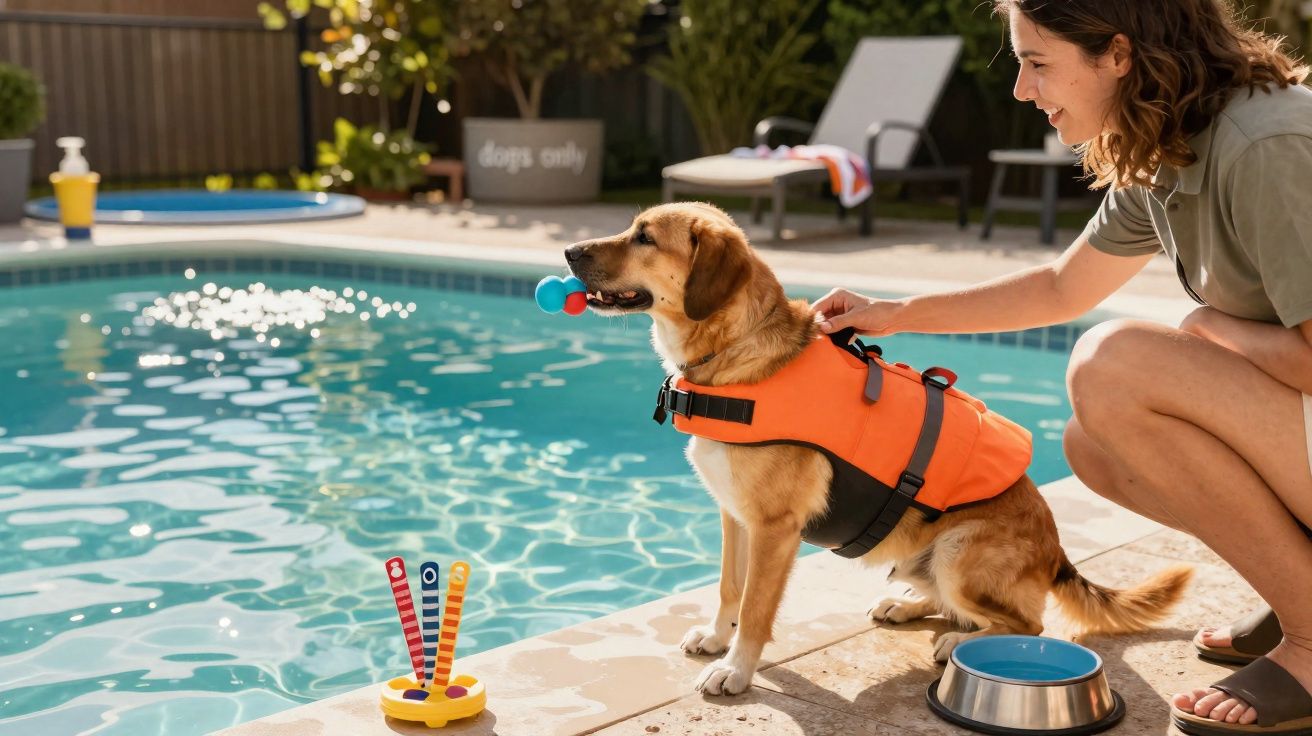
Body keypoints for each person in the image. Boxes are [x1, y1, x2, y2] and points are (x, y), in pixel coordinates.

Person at [811, 1, 1312, 732]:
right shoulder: (1173, 141)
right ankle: (1297, 581)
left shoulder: (1266, 143)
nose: (1021, 89)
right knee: (1093, 445)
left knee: (1113, 363)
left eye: (1038, 62)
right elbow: (1060, 288)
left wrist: (1210, 326)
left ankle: (1311, 637)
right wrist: (897, 312)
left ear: (1118, 54)